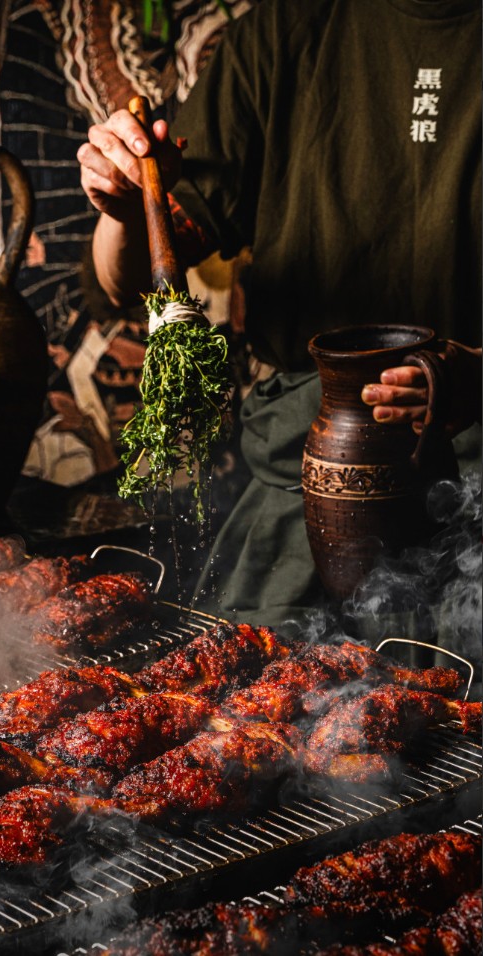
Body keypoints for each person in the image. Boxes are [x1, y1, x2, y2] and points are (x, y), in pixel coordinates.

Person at [77, 0, 481, 627]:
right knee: (247, 703)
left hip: (473, 479)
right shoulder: (282, 32)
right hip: (306, 478)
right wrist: (126, 207)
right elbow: (127, 278)